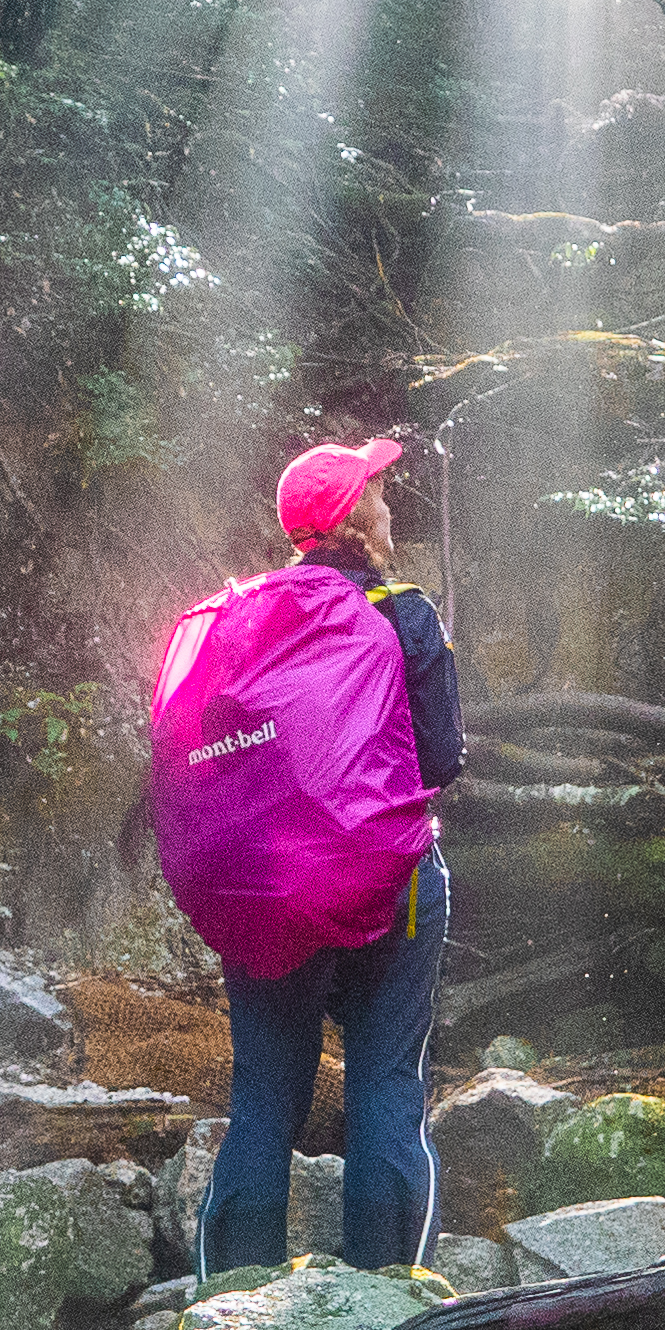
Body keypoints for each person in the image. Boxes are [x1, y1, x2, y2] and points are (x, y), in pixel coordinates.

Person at [190, 435, 461, 1275]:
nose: (387, 502)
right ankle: (388, 1297)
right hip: (390, 885)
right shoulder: (404, 612)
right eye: (376, 491)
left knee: (264, 1101)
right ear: (354, 518)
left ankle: (229, 1298)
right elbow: (442, 757)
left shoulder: (245, 620)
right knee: (385, 1080)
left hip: (266, 888)